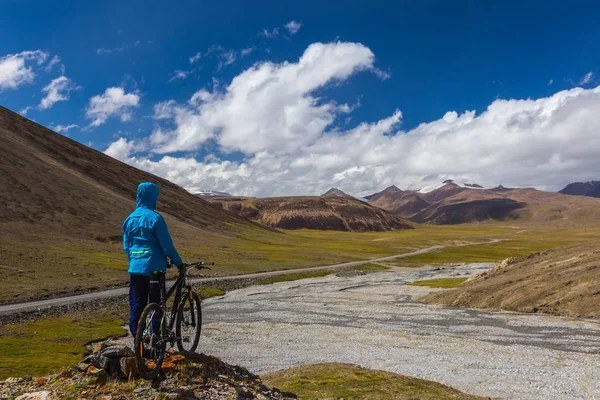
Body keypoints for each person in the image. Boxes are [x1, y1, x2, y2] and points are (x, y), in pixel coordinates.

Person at [122, 182, 183, 336]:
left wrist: (135, 261)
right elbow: (167, 246)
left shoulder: (129, 219)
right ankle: (155, 339)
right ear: (153, 197)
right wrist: (179, 263)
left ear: (138, 195)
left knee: (137, 304)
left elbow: (127, 246)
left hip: (135, 268)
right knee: (156, 304)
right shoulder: (155, 218)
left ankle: (138, 341)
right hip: (155, 267)